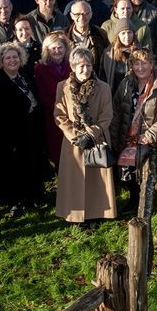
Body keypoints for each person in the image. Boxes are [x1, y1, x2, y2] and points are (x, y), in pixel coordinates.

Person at [0, 42, 52, 210]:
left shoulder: (25, 76)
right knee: (15, 169)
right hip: (11, 135)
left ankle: (35, 196)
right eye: (8, 58)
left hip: (31, 130)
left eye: (15, 57)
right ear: (1, 61)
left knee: (33, 164)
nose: (12, 60)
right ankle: (17, 201)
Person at [54, 47, 117, 224]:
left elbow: (107, 115)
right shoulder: (62, 87)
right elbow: (59, 115)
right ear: (73, 67)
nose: (85, 70)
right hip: (73, 142)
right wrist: (75, 135)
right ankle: (75, 214)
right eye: (81, 66)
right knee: (75, 179)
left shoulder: (103, 87)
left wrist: (91, 134)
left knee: (96, 180)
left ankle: (97, 213)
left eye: (88, 65)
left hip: (97, 140)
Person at [111, 48, 157, 215]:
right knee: (124, 167)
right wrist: (114, 136)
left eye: (144, 63)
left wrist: (151, 135)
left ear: (152, 64)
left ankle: (139, 200)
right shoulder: (126, 83)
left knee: (139, 166)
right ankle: (133, 196)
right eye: (136, 63)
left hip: (146, 135)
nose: (140, 67)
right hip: (126, 133)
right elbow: (116, 109)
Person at [34, 32, 72, 169]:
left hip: (73, 116)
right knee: (59, 156)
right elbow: (42, 96)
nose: (57, 51)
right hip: (53, 118)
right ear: (47, 50)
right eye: (53, 48)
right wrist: (61, 108)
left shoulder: (72, 66)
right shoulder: (40, 69)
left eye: (60, 47)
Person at [101, 19, 137, 92]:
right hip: (114, 94)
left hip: (135, 95)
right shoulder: (108, 53)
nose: (127, 36)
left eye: (129, 32)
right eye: (123, 33)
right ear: (118, 36)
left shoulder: (141, 52)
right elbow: (103, 77)